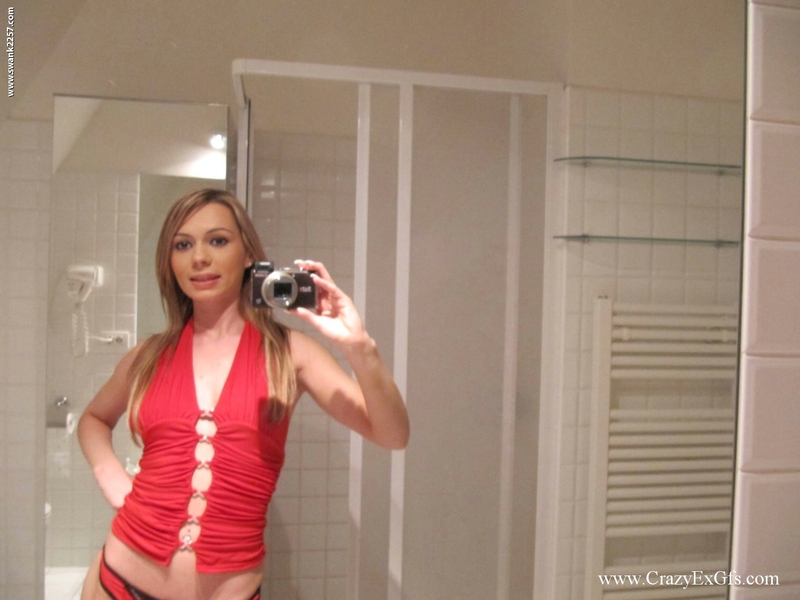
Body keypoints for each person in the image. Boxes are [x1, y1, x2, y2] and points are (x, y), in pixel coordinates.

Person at [77, 188, 409, 600]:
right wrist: (110, 474)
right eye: (183, 245)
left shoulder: (291, 353)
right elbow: (93, 419)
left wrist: (359, 347)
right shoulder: (149, 355)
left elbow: (393, 434)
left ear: (248, 254)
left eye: (218, 240)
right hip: (118, 581)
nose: (200, 257)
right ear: (169, 261)